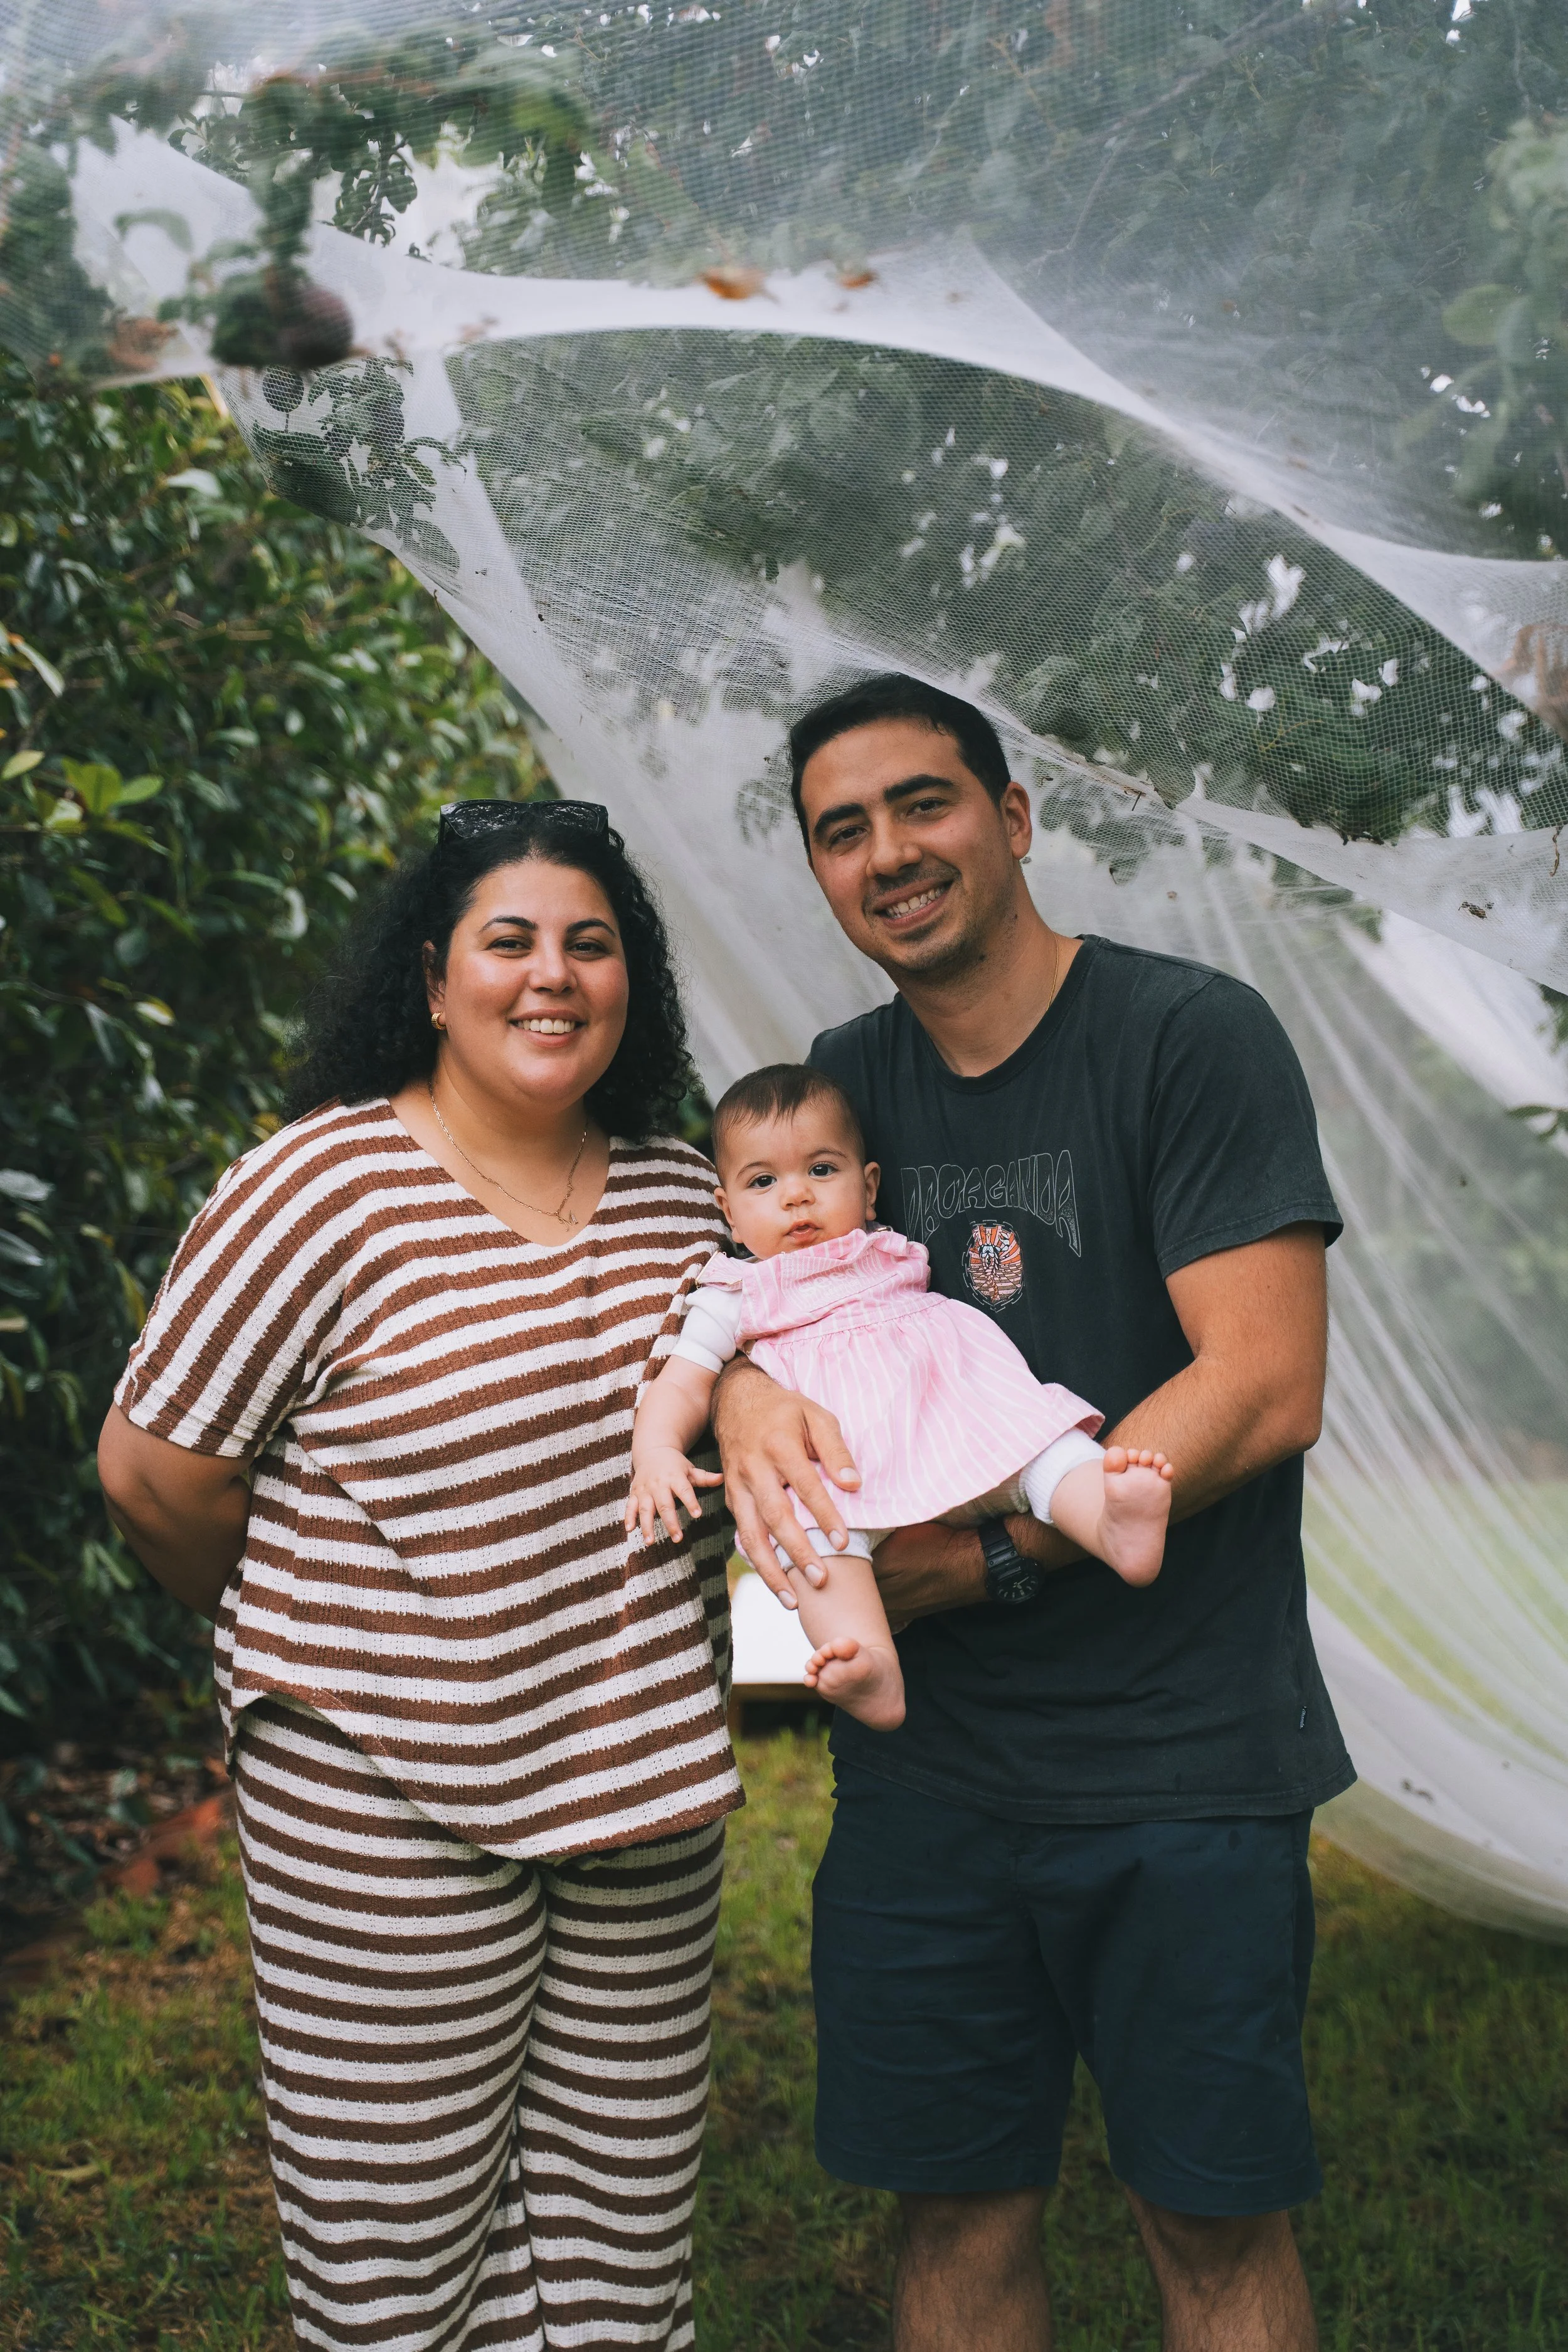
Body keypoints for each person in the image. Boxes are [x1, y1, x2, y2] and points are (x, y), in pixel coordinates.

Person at [712, 675, 1354, 2352]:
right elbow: (725, 1311)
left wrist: (991, 1551)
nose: (886, 851)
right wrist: (733, 1392)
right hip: (930, 1774)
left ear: (1010, 815)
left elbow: (1266, 1379)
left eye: (921, 803)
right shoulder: (828, 1105)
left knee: (1209, 2233)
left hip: (1180, 1755)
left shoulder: (1182, 1036)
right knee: (956, 2213)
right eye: (839, 829)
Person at [97, 798, 743, 2352]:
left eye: (591, 943)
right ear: (435, 979)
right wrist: (332, 1637)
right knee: (396, 2251)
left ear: (630, 983)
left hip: (637, 1788)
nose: (552, 974)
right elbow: (155, 1473)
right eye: (508, 939)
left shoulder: (687, 1197)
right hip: (376, 1792)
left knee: (623, 2248)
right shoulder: (319, 1187)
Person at [627, 1062, 1174, 1731]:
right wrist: (655, 1449)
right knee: (817, 1547)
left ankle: (1108, 1521)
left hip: (958, 1416)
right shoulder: (734, 1291)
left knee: (1042, 1449)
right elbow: (682, 1379)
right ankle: (872, 1664)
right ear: (729, 1214)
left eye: (822, 1171)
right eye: (764, 1182)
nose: (797, 1196)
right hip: (846, 1470)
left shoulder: (880, 1248)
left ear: (870, 1186)